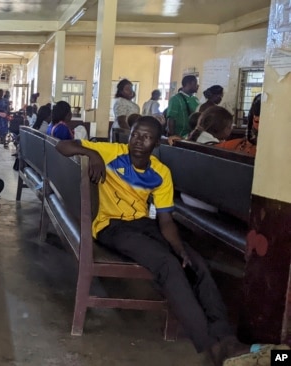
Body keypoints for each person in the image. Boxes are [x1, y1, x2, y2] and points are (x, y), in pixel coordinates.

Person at [55, 116, 255, 366]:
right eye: (136, 135)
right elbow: (62, 146)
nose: (139, 141)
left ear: (155, 143)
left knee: (195, 263)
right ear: (129, 136)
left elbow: (166, 221)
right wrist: (92, 154)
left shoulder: (160, 172)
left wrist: (179, 248)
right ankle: (211, 346)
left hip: (144, 225)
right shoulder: (111, 152)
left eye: (147, 137)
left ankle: (226, 338)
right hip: (112, 226)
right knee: (166, 264)